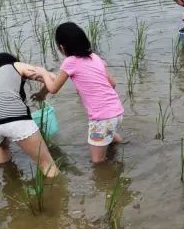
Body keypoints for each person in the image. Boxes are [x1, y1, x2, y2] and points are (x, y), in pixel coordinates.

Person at [33, 22, 124, 164]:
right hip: (117, 111)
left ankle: (108, 176)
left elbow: (54, 88)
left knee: (97, 163)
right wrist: (41, 94)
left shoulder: (70, 62)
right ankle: (123, 145)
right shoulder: (94, 57)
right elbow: (112, 83)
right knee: (109, 133)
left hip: (102, 118)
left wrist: (43, 72)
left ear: (62, 47)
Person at [0, 53, 59, 177]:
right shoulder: (14, 66)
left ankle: (9, 179)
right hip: (12, 117)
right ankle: (58, 194)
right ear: (13, 61)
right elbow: (53, 78)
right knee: (47, 166)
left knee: (2, 147)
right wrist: (42, 92)